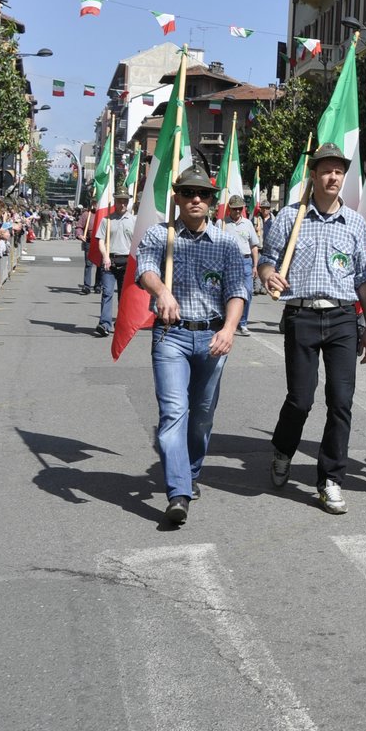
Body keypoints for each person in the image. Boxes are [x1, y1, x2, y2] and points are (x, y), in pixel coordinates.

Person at [258, 143, 366, 515]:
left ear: (344, 178)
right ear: (313, 175)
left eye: (338, 172)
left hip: (344, 318)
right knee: (301, 399)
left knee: (340, 402)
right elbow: (267, 261)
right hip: (302, 316)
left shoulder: (355, 224)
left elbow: (365, 280)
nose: (332, 177)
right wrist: (269, 277)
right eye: (325, 170)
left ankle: (330, 479)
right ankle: (283, 449)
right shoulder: (290, 218)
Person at [131, 163, 248, 525]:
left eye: (204, 194)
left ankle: (191, 471)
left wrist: (229, 329)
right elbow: (144, 270)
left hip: (213, 336)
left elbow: (238, 290)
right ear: (177, 198)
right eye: (188, 193)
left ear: (212, 201)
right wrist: (161, 291)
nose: (196, 199)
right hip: (172, 336)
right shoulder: (159, 235)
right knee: (173, 414)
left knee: (201, 417)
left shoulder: (228, 243)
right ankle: (178, 492)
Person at [96, 191, 136, 338]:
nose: (122, 204)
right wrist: (105, 256)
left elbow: (138, 242)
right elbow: (100, 240)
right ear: (115, 202)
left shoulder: (134, 220)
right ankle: (104, 324)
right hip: (110, 261)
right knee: (107, 293)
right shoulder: (107, 220)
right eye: (120, 201)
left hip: (127, 262)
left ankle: (121, 324)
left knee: (124, 296)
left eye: (125, 201)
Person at [219, 195, 260, 336]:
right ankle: (228, 321)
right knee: (226, 292)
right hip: (227, 262)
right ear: (229, 209)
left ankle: (243, 323)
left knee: (247, 292)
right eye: (234, 209)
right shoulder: (221, 224)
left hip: (245, 261)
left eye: (239, 209)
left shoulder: (248, 224)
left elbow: (254, 246)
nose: (237, 211)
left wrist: (255, 266)